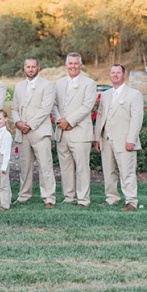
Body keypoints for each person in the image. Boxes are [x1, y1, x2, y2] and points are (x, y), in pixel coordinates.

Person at [94, 64, 143, 210]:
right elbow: (101, 116)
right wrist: (97, 137)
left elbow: (137, 119)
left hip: (124, 140)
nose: (115, 75)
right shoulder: (105, 95)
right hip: (106, 139)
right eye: (112, 72)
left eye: (118, 73)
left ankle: (131, 201)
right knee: (108, 172)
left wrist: (131, 140)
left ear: (124, 75)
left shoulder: (134, 94)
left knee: (127, 172)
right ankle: (112, 197)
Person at [52, 52, 97, 207]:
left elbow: (87, 106)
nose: (73, 66)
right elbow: (54, 104)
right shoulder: (58, 83)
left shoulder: (89, 83)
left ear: (81, 65)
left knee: (82, 167)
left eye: (76, 63)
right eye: (70, 63)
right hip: (61, 131)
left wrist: (69, 121)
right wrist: (60, 121)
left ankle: (83, 199)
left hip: (79, 132)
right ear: (66, 65)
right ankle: (69, 196)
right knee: (65, 167)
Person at [11, 57, 56, 208]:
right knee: (25, 166)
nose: (30, 69)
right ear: (24, 68)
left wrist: (29, 124)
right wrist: (18, 123)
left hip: (40, 131)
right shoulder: (18, 86)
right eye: (28, 67)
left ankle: (49, 197)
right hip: (22, 132)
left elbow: (46, 109)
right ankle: (24, 195)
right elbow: (14, 108)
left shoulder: (47, 85)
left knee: (45, 166)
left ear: (38, 68)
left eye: (33, 67)